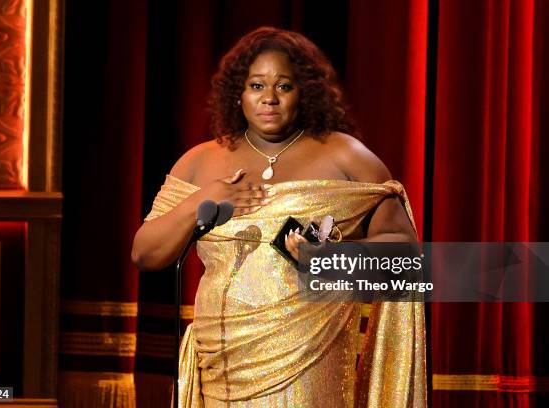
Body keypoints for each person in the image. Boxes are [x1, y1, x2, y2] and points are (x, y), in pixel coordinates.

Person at [132, 27, 426, 408]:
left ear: (305, 92)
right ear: (238, 93)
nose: (269, 98)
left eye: (284, 86)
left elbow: (404, 254)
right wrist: (204, 198)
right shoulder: (200, 161)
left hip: (309, 364)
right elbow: (145, 253)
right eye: (256, 85)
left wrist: (331, 259)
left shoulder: (346, 156)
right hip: (221, 364)